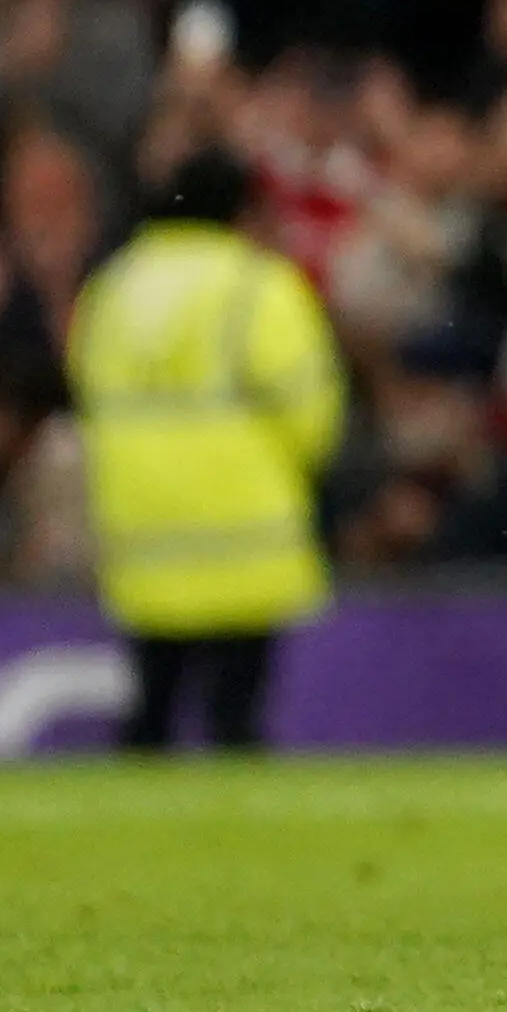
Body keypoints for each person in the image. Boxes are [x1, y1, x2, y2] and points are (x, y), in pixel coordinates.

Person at [67, 147, 342, 751]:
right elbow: (311, 410)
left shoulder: (114, 284)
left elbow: (84, 386)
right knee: (235, 716)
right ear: (243, 213)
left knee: (151, 708)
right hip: (243, 533)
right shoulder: (257, 286)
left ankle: (131, 834)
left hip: (141, 530)